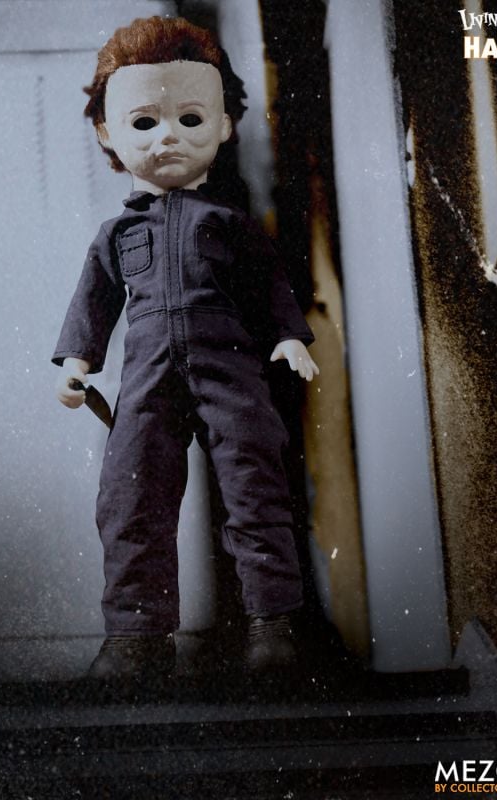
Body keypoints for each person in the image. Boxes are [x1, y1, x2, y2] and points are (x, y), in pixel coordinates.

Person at [52, 16, 319, 681]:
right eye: (144, 122)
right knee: (130, 498)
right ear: (107, 133)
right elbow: (93, 304)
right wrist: (77, 364)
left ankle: (273, 628)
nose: (167, 136)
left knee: (255, 489)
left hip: (232, 375)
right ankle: (135, 638)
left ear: (223, 126)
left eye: (190, 119)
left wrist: (289, 337)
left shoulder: (231, 226)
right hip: (148, 381)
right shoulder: (115, 237)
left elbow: (271, 288)